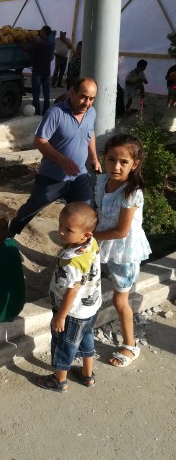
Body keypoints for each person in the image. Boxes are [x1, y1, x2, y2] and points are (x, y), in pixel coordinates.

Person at [8, 77, 102, 238]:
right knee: (30, 209)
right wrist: (62, 160)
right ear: (72, 93)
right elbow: (39, 141)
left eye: (91, 99)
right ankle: (8, 235)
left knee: (87, 214)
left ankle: (81, 246)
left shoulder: (91, 112)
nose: (87, 103)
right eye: (83, 97)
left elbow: (90, 132)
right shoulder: (56, 113)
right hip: (52, 177)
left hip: (79, 176)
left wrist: (94, 157)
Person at [94, 134, 151, 368]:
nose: (116, 166)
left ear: (134, 164)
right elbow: (99, 210)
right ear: (104, 159)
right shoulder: (102, 181)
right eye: (111, 159)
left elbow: (121, 231)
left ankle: (130, 345)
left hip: (124, 251)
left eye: (123, 162)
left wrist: (90, 236)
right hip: (103, 242)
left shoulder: (132, 193)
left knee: (120, 301)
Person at [37, 202, 101, 392]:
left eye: (68, 230)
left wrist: (61, 316)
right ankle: (87, 374)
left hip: (72, 313)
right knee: (86, 338)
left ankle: (59, 380)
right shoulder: (91, 243)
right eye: (60, 225)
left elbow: (71, 291)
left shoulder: (72, 261)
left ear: (85, 234)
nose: (61, 231)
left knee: (64, 345)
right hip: (89, 308)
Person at [30, 25, 55, 115]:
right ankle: (46, 112)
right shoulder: (51, 44)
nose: (40, 32)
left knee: (36, 93)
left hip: (37, 71)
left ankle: (36, 112)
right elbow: (51, 57)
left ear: (44, 32)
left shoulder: (38, 44)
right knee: (46, 94)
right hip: (46, 72)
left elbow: (29, 50)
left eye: (41, 30)